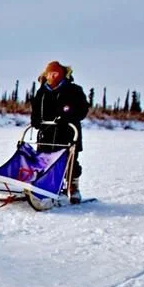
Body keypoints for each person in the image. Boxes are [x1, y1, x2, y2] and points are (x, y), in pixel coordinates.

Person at [30, 61, 89, 202]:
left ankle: (73, 188)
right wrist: (35, 119)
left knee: (70, 163)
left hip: (67, 134)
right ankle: (43, 186)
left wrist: (68, 116)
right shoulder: (42, 92)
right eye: (50, 74)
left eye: (55, 73)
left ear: (63, 75)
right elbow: (36, 109)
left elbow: (82, 110)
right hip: (46, 133)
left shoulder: (73, 90)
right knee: (43, 161)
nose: (52, 76)